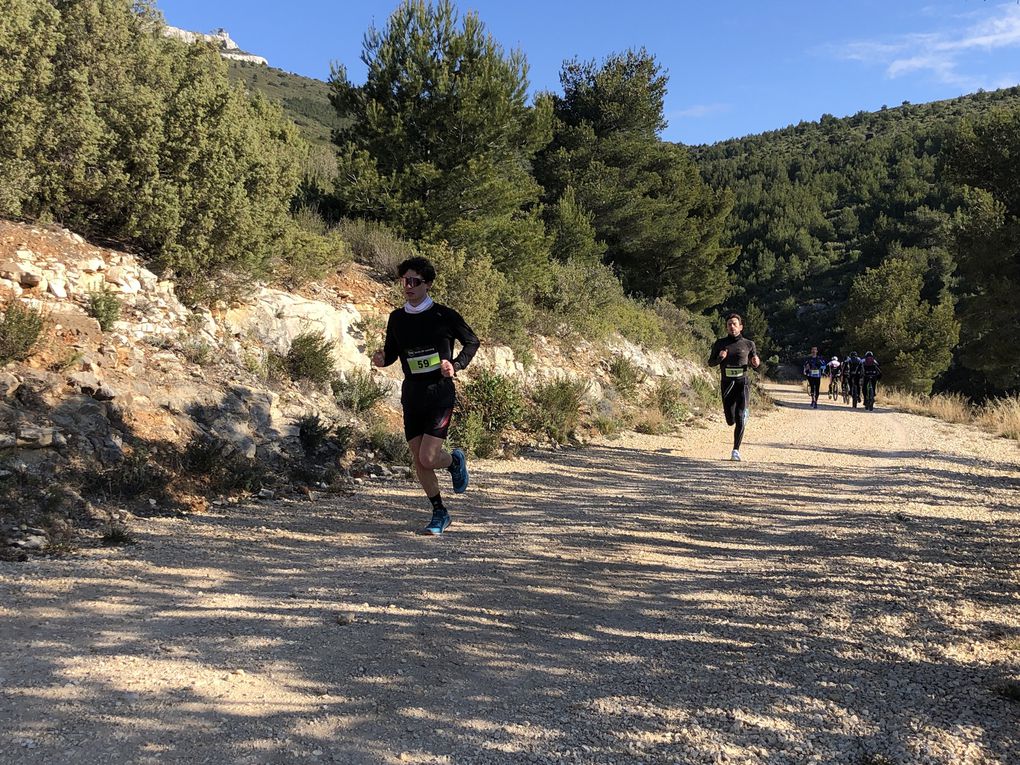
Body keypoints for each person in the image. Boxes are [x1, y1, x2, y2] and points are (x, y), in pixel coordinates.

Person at [372, 256, 479, 535]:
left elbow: (472, 341)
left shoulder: (445, 315)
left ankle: (454, 460)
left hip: (439, 392)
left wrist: (454, 365)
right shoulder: (396, 318)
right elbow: (393, 352)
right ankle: (439, 512)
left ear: (428, 284)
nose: (408, 286)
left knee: (429, 458)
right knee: (419, 459)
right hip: (413, 393)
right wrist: (383, 359)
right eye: (404, 280)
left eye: (414, 281)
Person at [708, 313, 760, 461]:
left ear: (741, 327)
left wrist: (756, 362)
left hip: (742, 384)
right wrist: (720, 358)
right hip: (727, 384)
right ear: (726, 327)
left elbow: (754, 362)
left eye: (734, 324)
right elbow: (710, 363)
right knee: (730, 420)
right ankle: (739, 417)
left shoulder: (749, 344)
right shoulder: (720, 343)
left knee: (740, 416)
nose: (732, 326)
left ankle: (736, 450)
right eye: (729, 324)